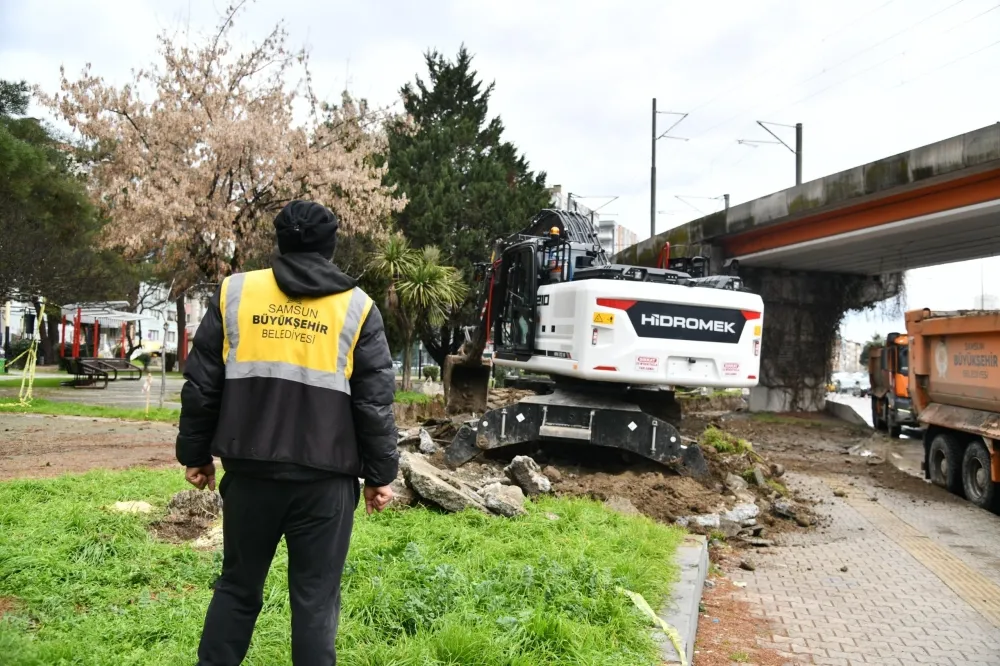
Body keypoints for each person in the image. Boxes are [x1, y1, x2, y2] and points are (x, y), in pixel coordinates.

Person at [176, 200, 399, 666]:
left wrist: (195, 454)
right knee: (316, 603)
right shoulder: (358, 309)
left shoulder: (234, 293)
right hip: (326, 486)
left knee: (237, 588)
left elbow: (202, 386)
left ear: (279, 241)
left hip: (250, 476)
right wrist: (381, 475)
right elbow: (373, 405)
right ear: (330, 245)